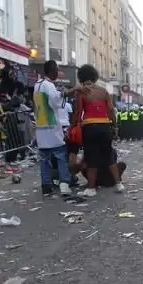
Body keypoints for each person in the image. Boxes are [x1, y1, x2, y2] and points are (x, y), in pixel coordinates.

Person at [70, 64, 124, 197]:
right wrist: (114, 126)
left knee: (91, 157)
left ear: (81, 77)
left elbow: (78, 112)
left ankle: (91, 188)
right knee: (109, 155)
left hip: (90, 127)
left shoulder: (81, 92)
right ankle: (119, 184)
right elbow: (111, 110)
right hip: (105, 126)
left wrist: (73, 126)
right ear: (94, 76)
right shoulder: (103, 91)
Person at [33, 60, 72, 196]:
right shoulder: (49, 85)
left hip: (41, 127)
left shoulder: (37, 85)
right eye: (56, 70)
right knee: (61, 156)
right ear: (52, 70)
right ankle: (64, 184)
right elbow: (55, 102)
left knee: (44, 159)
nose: (58, 72)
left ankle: (46, 185)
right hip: (51, 127)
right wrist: (66, 92)